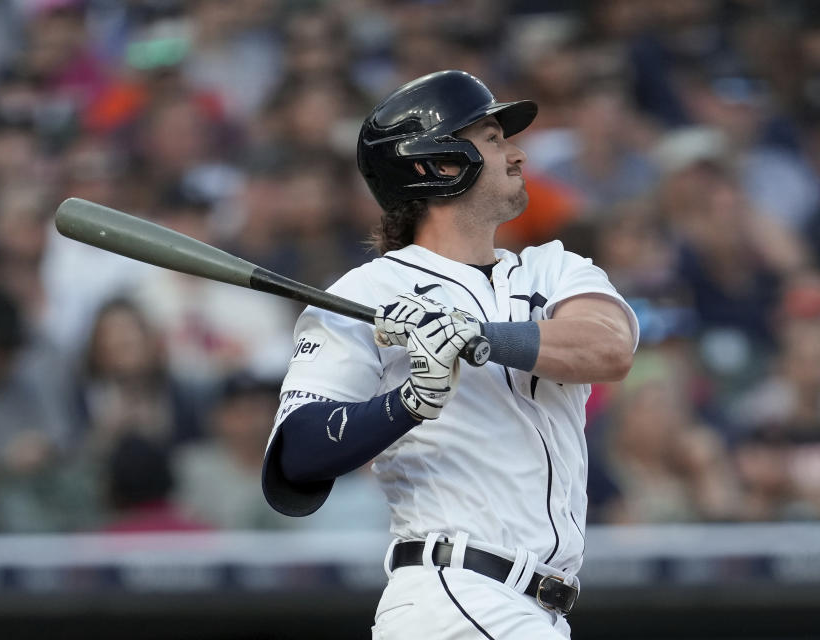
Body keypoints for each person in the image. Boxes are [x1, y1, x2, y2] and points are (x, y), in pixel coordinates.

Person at [261, 70, 638, 639]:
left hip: (531, 606)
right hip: (456, 591)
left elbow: (608, 348)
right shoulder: (366, 294)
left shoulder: (554, 267)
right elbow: (298, 455)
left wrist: (476, 336)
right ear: (437, 162)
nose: (516, 154)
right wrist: (410, 401)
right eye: (492, 139)